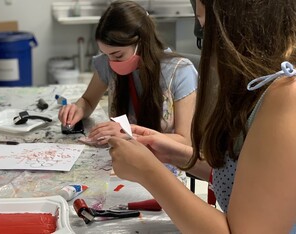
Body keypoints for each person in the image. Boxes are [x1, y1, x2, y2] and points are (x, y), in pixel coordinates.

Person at [108, 0, 296, 232]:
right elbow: (250, 179)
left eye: (205, 25)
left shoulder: (286, 98)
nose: (203, 41)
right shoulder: (263, 87)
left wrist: (148, 171)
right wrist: (176, 155)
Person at [58, 0, 198, 147]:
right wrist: (77, 109)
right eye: (106, 55)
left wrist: (129, 134)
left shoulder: (180, 72)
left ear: (141, 42)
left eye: (118, 55)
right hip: (124, 155)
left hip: (166, 161)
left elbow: (185, 141)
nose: (111, 62)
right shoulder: (106, 63)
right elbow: (88, 101)